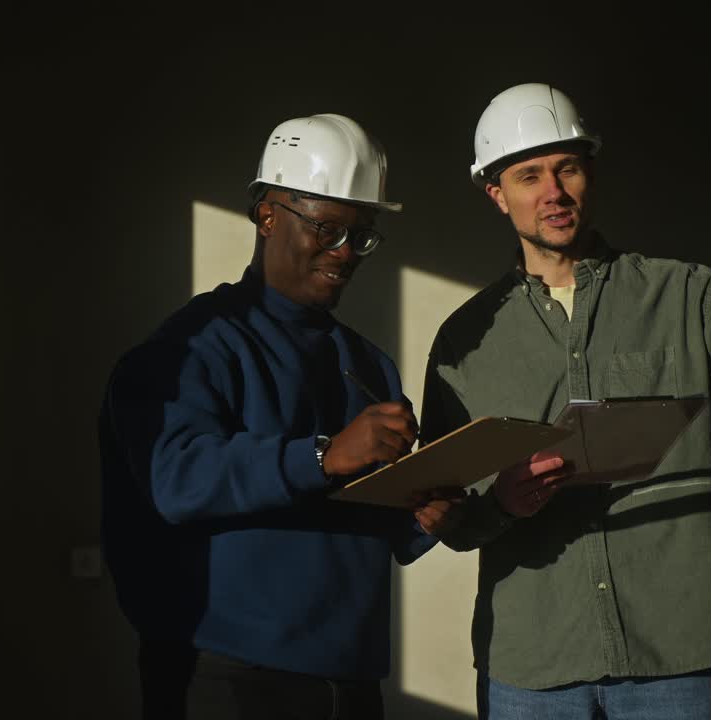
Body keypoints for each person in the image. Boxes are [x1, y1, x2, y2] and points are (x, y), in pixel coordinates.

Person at [419, 82, 711, 719]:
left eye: (567, 167)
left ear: (589, 173)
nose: (553, 192)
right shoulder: (464, 340)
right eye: (528, 175)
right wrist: (499, 507)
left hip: (673, 663)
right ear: (496, 193)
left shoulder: (683, 294)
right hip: (532, 668)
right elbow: (446, 516)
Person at [99, 113, 458, 720]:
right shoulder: (192, 347)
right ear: (268, 215)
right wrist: (322, 455)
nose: (345, 253)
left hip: (350, 679)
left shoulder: (369, 366)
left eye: (361, 236)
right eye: (327, 229)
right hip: (225, 677)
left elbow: (368, 523)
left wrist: (422, 517)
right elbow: (175, 477)